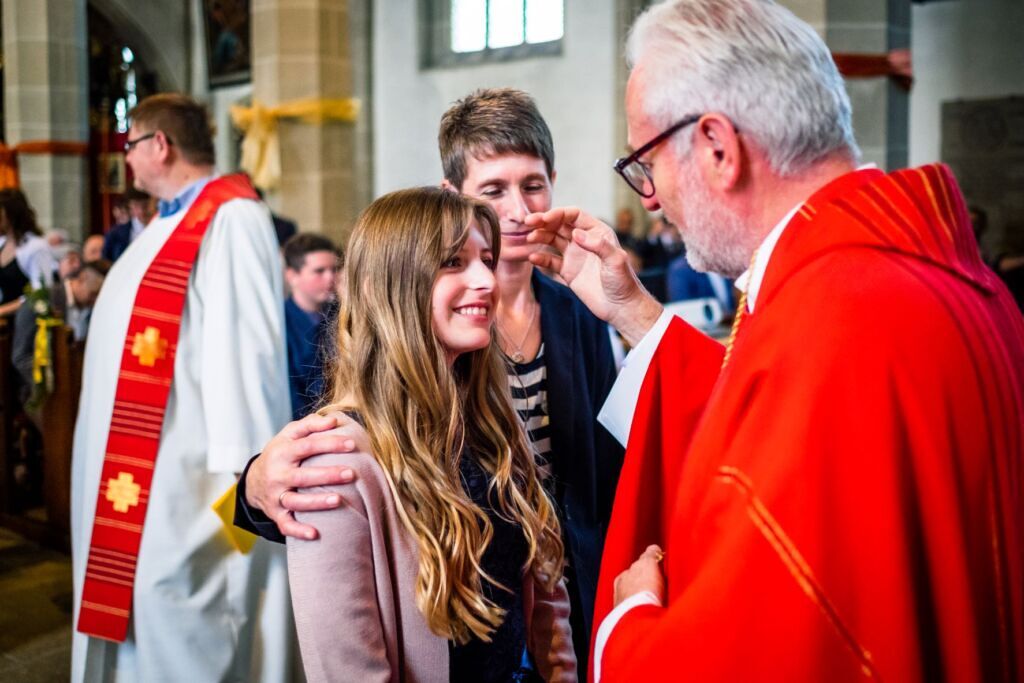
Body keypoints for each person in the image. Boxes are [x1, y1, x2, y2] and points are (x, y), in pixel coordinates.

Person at [524, 1, 1023, 680]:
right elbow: (765, 421)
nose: (649, 199)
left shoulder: (835, 324)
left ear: (717, 148)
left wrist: (628, 623)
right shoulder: (912, 269)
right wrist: (633, 313)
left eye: (646, 164)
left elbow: (768, 651)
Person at [235, 87, 624, 671]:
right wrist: (253, 485)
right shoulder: (425, 341)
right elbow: (342, 475)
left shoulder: (576, 314)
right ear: (453, 195)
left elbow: (605, 462)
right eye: (493, 190)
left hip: (556, 577)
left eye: (533, 185)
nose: (519, 211)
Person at [286, 186, 575, 681]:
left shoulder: (494, 423)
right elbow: (349, 670)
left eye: (486, 260)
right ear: (394, 285)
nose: (486, 280)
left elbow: (549, 603)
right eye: (453, 262)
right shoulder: (335, 462)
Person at [70, 93, 296, 682]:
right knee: (142, 625)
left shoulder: (233, 217)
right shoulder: (166, 223)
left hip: (191, 484)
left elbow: (248, 350)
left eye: (130, 146)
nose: (127, 159)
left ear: (160, 146)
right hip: (139, 477)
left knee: (184, 627)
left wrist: (246, 481)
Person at [282, 232, 340, 420]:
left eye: (334, 269)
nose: (330, 278)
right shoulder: (280, 326)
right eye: (319, 271)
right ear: (292, 276)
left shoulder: (341, 317)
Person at [0, 189, 56, 316]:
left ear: (11, 216)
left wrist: (3, 310)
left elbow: (41, 293)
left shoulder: (35, 247)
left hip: (25, 318)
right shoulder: (2, 243)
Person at [102, 189, 155, 262]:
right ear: (129, 208)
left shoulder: (162, 229)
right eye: (136, 205)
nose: (141, 211)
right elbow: (106, 262)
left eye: (145, 205)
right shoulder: (114, 234)